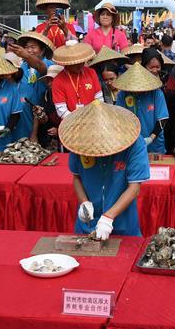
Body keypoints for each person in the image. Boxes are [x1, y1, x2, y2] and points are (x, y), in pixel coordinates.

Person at [60, 101, 150, 238]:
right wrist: (84, 202)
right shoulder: (79, 141)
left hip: (123, 224)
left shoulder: (135, 144)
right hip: (87, 225)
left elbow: (134, 187)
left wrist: (108, 217)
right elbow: (77, 177)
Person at [114, 62, 168, 153]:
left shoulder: (157, 93)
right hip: (130, 142)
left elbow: (163, 118)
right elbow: (119, 117)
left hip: (154, 143)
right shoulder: (122, 94)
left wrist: (151, 138)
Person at [51, 40, 102, 119]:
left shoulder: (91, 72)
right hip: (70, 122)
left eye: (81, 61)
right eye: (75, 63)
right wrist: (77, 120)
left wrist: (95, 115)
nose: (79, 65)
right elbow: (61, 110)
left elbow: (99, 98)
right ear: (66, 63)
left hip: (94, 118)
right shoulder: (57, 81)